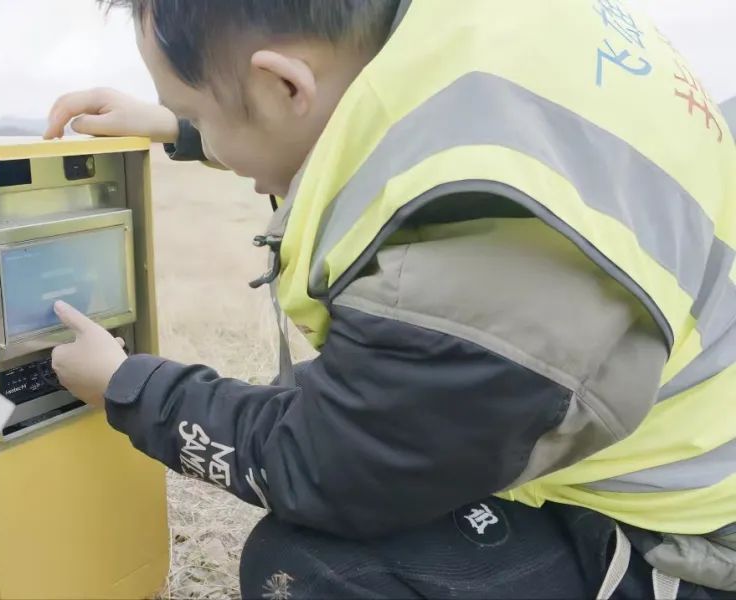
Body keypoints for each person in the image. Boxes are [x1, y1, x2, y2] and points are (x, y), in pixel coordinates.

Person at [44, 1, 736, 597]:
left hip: (684, 539)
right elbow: (383, 112)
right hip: (680, 440)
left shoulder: (486, 251)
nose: (192, 125)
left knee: (315, 568)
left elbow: (337, 463)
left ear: (285, 84)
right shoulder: (497, 44)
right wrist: (189, 129)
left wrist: (130, 386)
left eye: (192, 107)